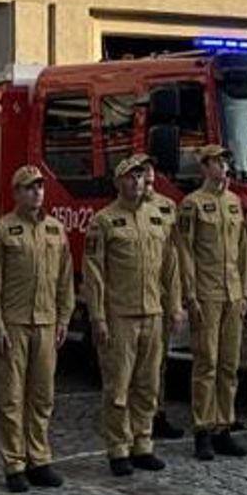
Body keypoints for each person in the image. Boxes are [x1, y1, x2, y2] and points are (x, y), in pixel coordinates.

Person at [86, 154, 185, 476]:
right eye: (129, 177)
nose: (136, 182)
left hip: (153, 312)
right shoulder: (103, 221)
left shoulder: (158, 217)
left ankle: (143, 443)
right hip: (120, 315)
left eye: (140, 177)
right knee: (118, 387)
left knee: (148, 384)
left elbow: (170, 267)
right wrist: (98, 317)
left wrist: (174, 306)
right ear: (118, 182)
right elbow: (94, 274)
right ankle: (118, 448)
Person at [0, 164, 76, 493]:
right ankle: (14, 464)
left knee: (42, 395)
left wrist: (64, 317)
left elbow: (65, 278)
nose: (37, 192)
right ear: (16, 193)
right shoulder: (1, 231)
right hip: (15, 323)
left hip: (46, 323)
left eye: (40, 187)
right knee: (11, 397)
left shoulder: (55, 230)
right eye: (29, 187)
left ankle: (39, 457)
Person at [175, 146, 247, 461]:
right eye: (218, 162)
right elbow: (185, 251)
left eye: (226, 161)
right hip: (206, 293)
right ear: (205, 166)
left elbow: (242, 250)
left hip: (232, 293)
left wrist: (244, 291)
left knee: (229, 364)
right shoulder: (192, 205)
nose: (224, 166)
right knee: (206, 362)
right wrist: (190, 294)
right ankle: (203, 429)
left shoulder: (234, 203)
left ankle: (223, 425)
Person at [141, 162, 189, 443]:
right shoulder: (116, 214)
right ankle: (136, 422)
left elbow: (173, 258)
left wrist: (176, 303)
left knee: (159, 362)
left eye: (149, 172)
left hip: (159, 297)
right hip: (133, 301)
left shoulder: (168, 207)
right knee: (136, 366)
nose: (147, 178)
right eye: (140, 173)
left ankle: (156, 414)